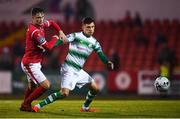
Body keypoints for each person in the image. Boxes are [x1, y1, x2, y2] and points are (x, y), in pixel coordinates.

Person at [32, 17, 114, 112]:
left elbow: (101, 55)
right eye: (88, 27)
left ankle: (85, 108)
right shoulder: (76, 36)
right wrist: (48, 46)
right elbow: (62, 40)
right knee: (64, 93)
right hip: (69, 68)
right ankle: (38, 106)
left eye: (92, 27)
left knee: (95, 88)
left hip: (78, 70)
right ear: (83, 27)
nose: (91, 29)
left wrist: (107, 62)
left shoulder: (95, 43)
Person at [20, 7, 67, 112]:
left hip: (34, 62)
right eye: (38, 18)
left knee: (32, 86)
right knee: (46, 85)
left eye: (42, 17)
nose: (41, 20)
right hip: (30, 64)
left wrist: (60, 31)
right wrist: (55, 38)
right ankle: (26, 104)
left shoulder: (41, 24)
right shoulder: (34, 31)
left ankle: (24, 105)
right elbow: (49, 48)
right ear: (32, 18)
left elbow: (52, 22)